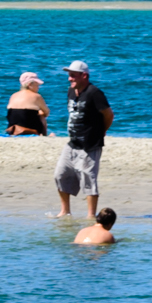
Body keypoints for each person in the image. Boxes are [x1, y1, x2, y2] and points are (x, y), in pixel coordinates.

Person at [54, 60, 113, 220]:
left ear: (84, 76)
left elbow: (108, 115)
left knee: (89, 178)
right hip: (72, 143)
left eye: (73, 76)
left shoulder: (94, 93)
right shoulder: (71, 91)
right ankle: (65, 211)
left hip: (90, 145)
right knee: (60, 174)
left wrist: (102, 131)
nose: (69, 79)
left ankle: (90, 216)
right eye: (69, 75)